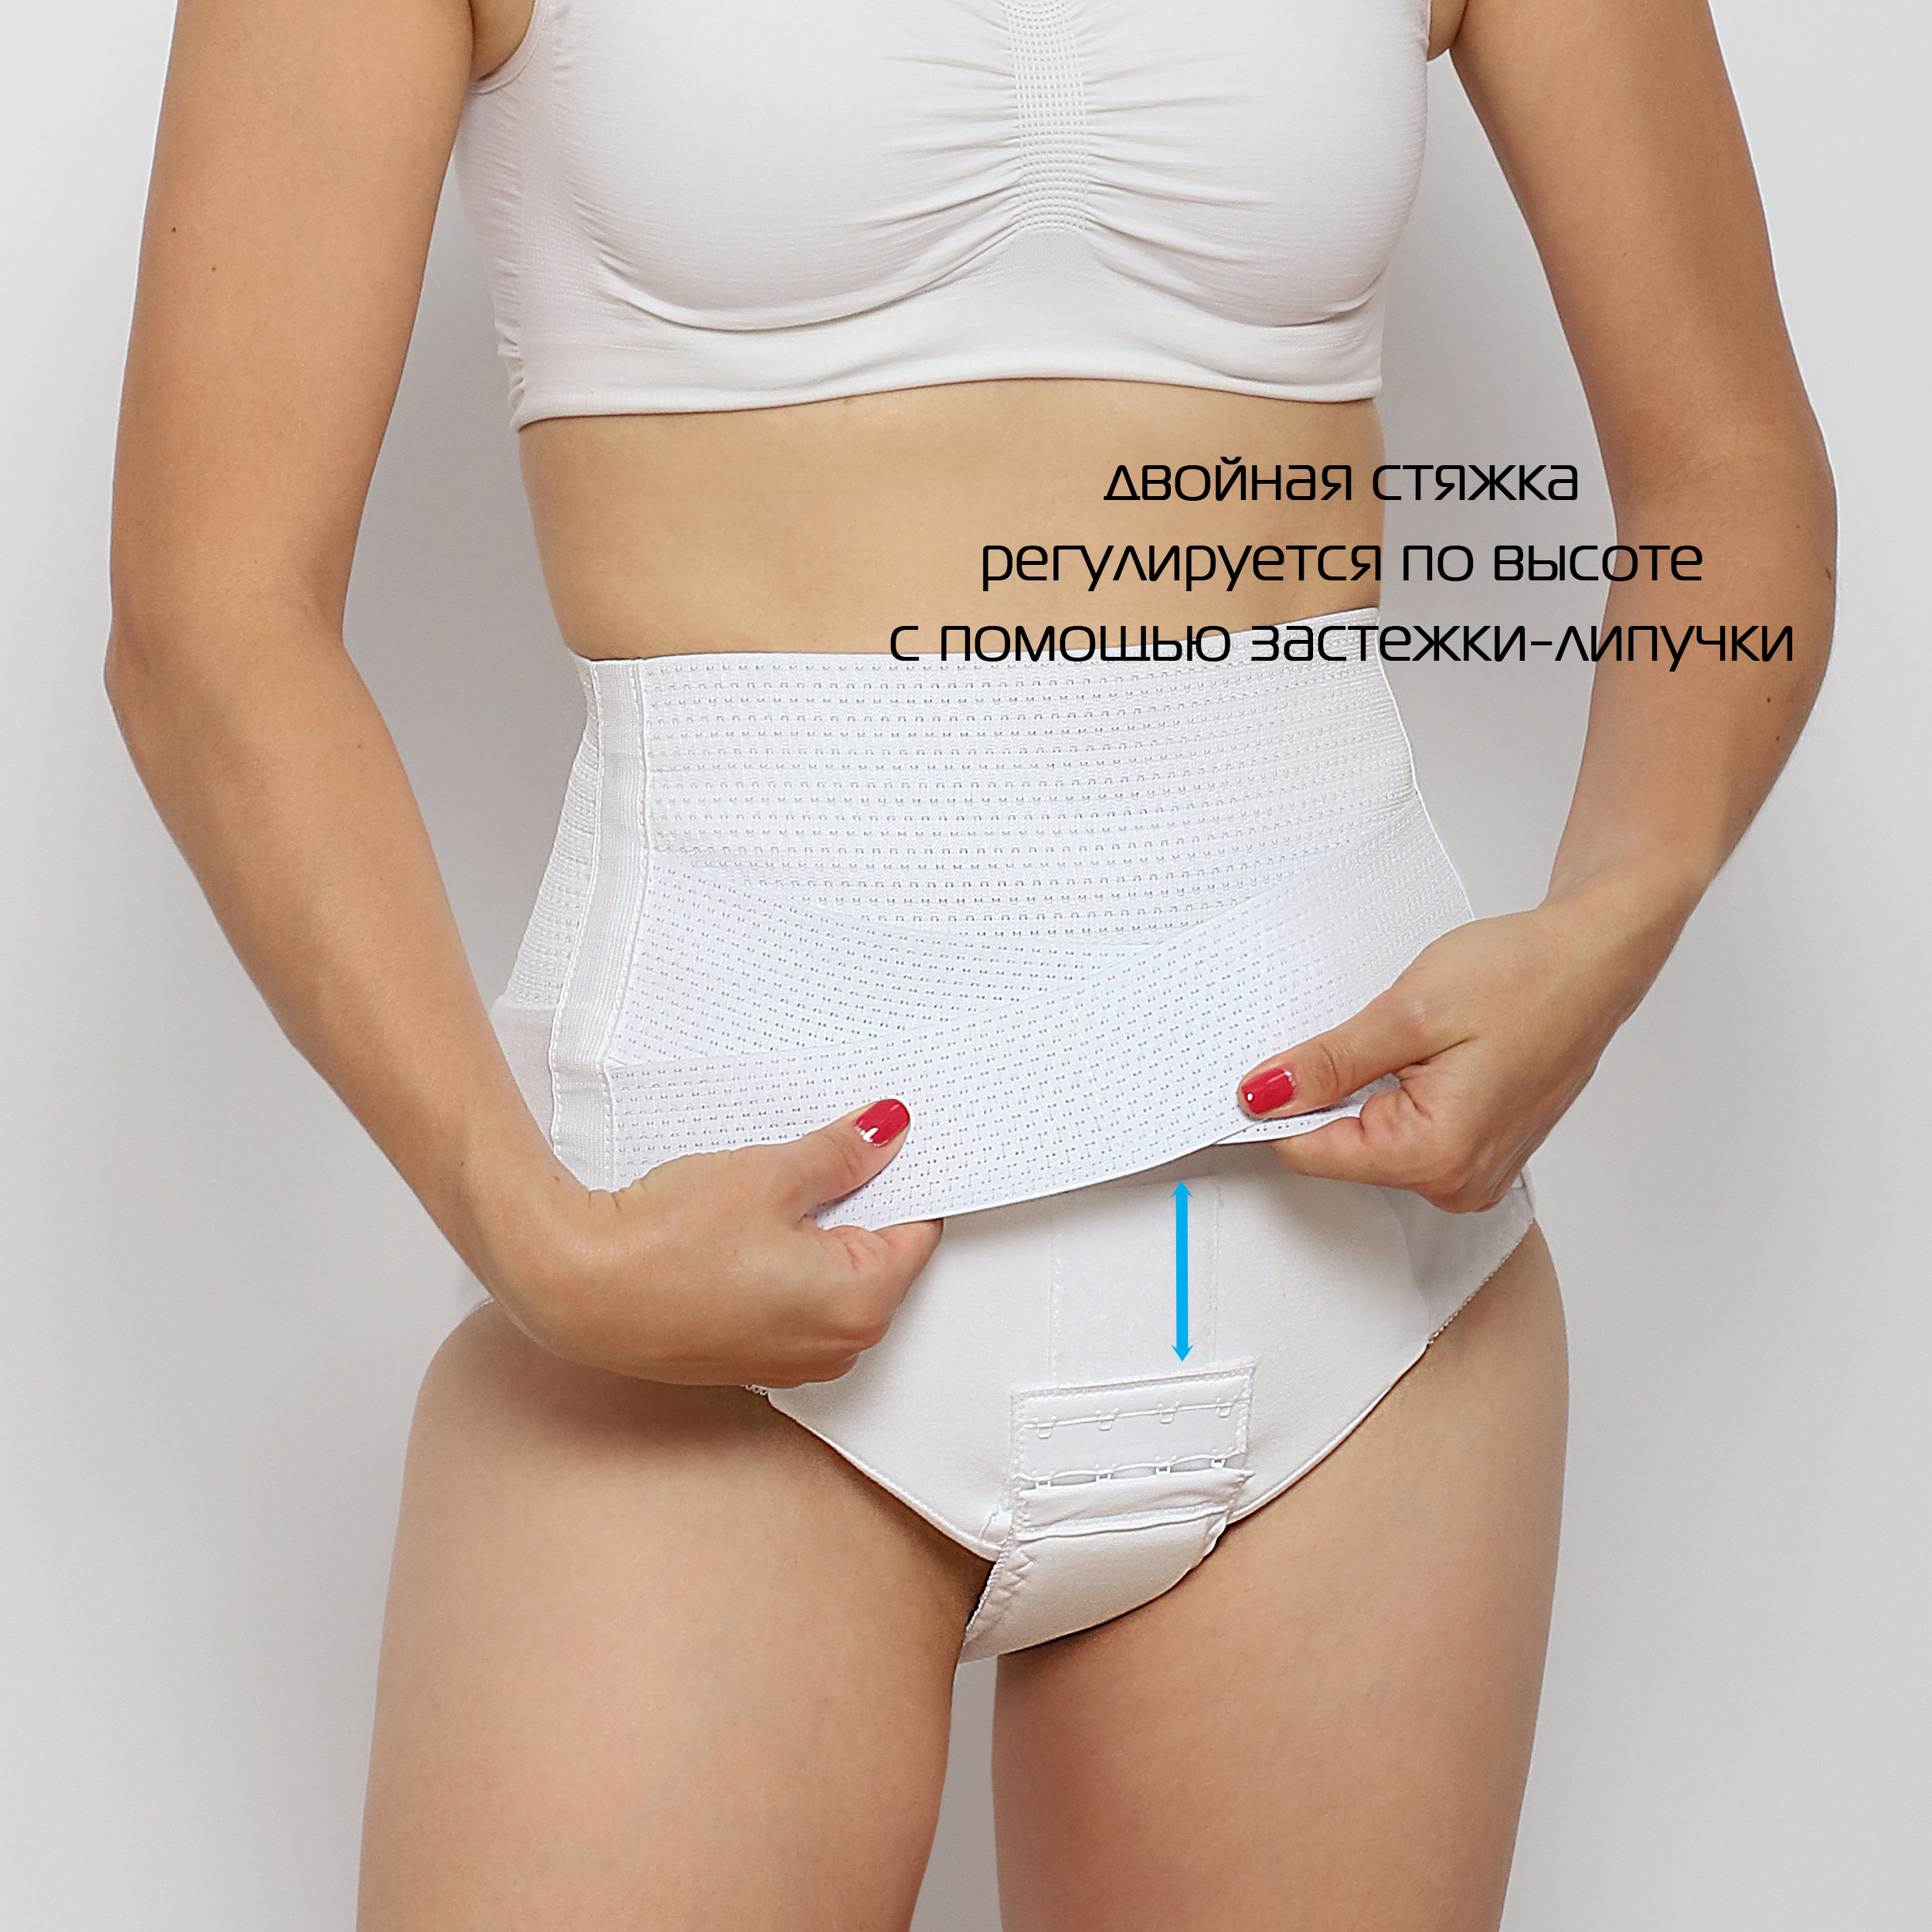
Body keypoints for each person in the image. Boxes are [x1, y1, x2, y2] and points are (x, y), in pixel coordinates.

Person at [106, 0, 1833, 1922]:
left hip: (1364, 1285)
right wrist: (528, 1225)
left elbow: (1724, 463)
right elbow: (210, 610)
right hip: (701, 1270)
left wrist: (1613, 913)